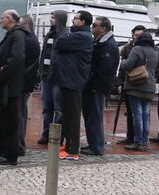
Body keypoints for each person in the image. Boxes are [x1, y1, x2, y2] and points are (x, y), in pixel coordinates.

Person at [0, 9, 28, 165]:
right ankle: (2, 150)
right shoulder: (12, 34)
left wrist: (3, 72)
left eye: (2, 18)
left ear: (10, 19)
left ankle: (11, 155)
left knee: (10, 121)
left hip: (10, 86)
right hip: (5, 85)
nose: (0, 20)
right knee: (2, 119)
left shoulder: (17, 35)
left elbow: (17, 58)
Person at [50, 11, 93, 160]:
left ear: (82, 22)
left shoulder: (83, 36)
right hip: (67, 79)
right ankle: (67, 145)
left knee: (73, 116)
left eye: (76, 18)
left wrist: (64, 39)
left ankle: (73, 149)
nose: (73, 20)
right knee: (67, 115)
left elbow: (60, 42)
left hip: (74, 80)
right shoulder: (77, 35)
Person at [81, 16, 118, 156]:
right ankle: (94, 143)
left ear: (103, 28)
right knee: (91, 116)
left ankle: (96, 146)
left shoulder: (107, 45)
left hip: (96, 87)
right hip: (94, 86)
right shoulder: (100, 42)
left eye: (95, 25)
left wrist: (94, 84)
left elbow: (105, 69)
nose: (92, 27)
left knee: (94, 116)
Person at [117, 32, 159, 151]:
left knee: (137, 114)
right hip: (150, 86)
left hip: (136, 85)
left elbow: (128, 65)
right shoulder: (156, 50)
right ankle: (145, 141)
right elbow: (158, 68)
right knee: (146, 114)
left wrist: (123, 62)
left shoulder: (137, 49)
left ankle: (138, 142)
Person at [38, 11, 67, 145]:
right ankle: (46, 134)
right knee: (46, 108)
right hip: (46, 76)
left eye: (53, 18)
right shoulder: (49, 34)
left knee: (58, 109)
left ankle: (57, 136)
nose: (50, 20)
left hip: (57, 78)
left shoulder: (64, 35)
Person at [118, 25, 146, 144]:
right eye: (134, 35)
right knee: (130, 112)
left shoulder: (149, 48)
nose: (135, 37)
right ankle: (130, 137)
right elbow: (122, 67)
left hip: (143, 82)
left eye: (138, 35)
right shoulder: (128, 48)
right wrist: (120, 82)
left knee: (142, 112)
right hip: (129, 81)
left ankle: (140, 138)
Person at [17, 15, 42, 155]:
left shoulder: (27, 39)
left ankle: (19, 145)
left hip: (23, 82)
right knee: (20, 113)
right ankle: (19, 144)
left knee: (19, 114)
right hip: (26, 81)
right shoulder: (32, 38)